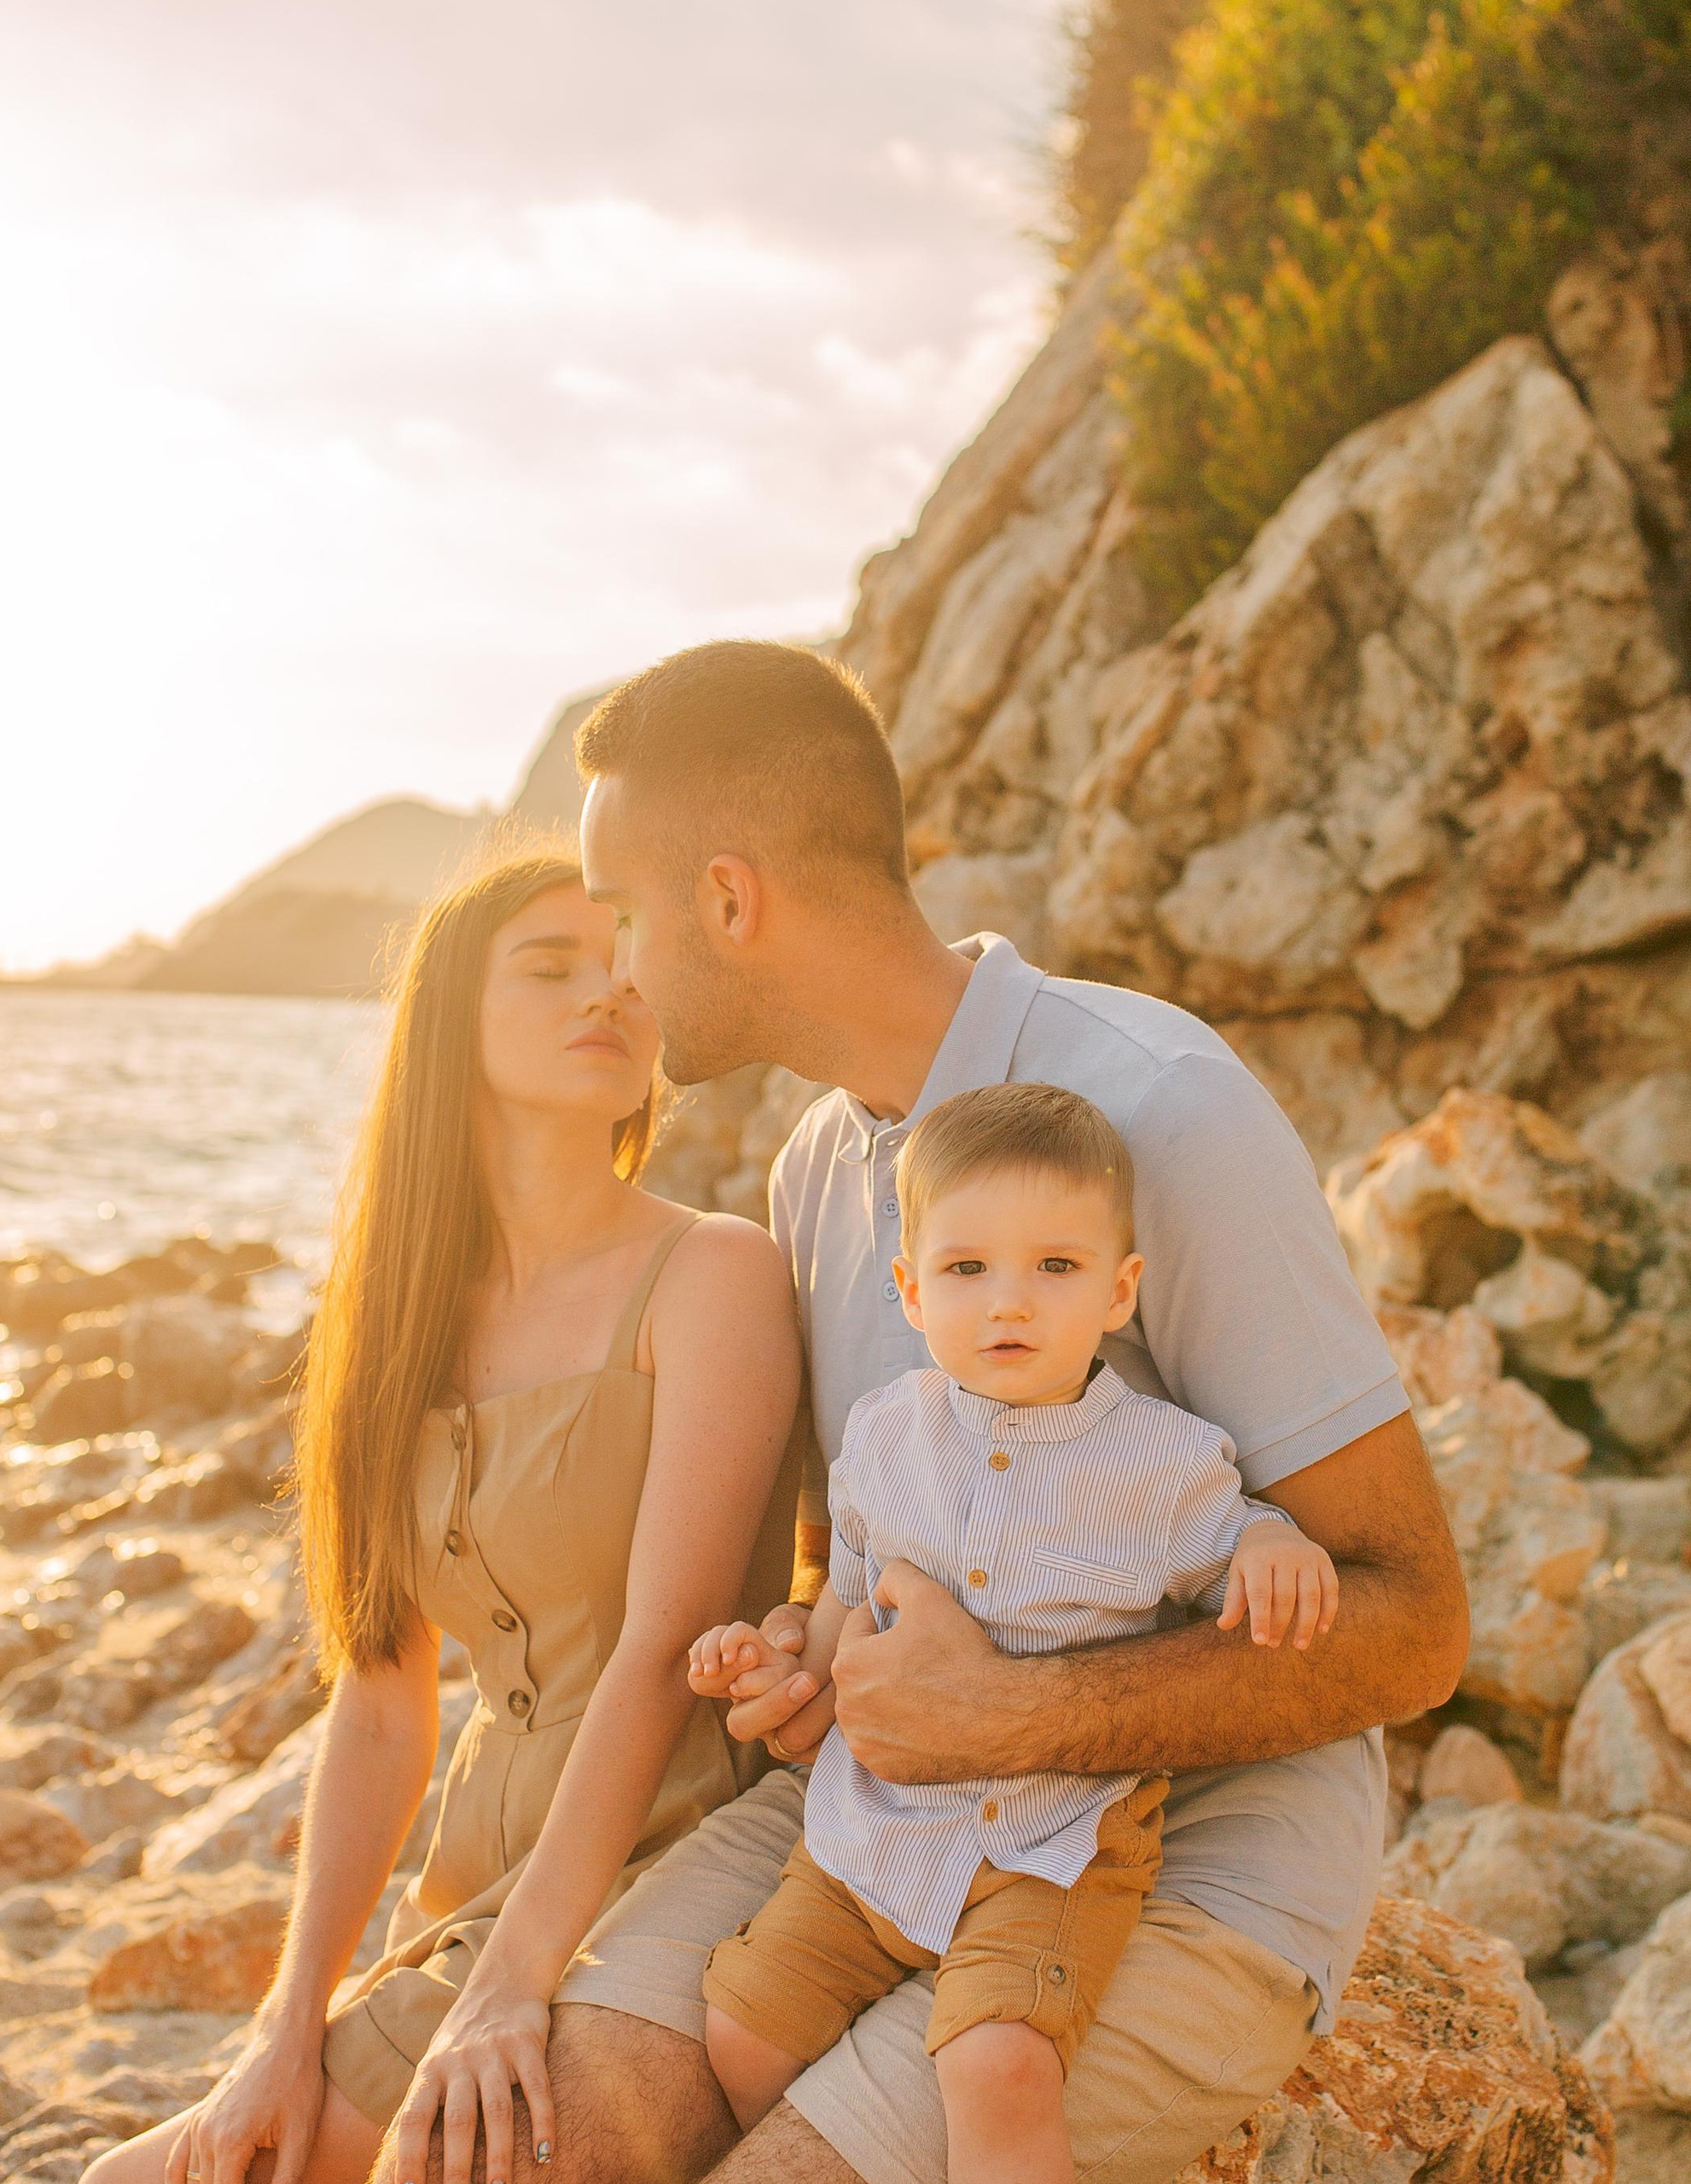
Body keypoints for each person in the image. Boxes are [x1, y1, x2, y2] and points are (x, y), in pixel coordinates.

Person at [381, 637, 1467, 2184]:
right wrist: (805, 1661)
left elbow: (1416, 1620)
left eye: (623, 917)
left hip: (1168, 1861)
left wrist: (1014, 1715)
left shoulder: (1164, 1105)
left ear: (730, 902)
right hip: (867, 1824)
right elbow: (871, 1570)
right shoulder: (821, 1174)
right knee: (494, 2154)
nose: (614, 973)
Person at [84, 844, 805, 2184]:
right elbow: (379, 1694)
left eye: (628, 962)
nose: (610, 991)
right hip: (474, 1886)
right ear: (447, 1021)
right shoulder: (393, 1327)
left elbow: (665, 1643)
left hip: (669, 1853)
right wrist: (288, 2023)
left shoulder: (714, 1273)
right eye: (551, 966)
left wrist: (509, 1982)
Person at [690, 1083, 1341, 2184]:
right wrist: (783, 1663)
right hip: (875, 1830)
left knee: (999, 2067)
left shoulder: (1163, 1463)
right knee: (742, 2034)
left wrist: (1275, 1544)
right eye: (965, 1270)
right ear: (910, 1289)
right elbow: (849, 1607)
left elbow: (1237, 1536)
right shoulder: (886, 1434)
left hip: (1054, 1847)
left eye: (1056, 1267)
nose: (1009, 1304)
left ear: (1120, 1291)